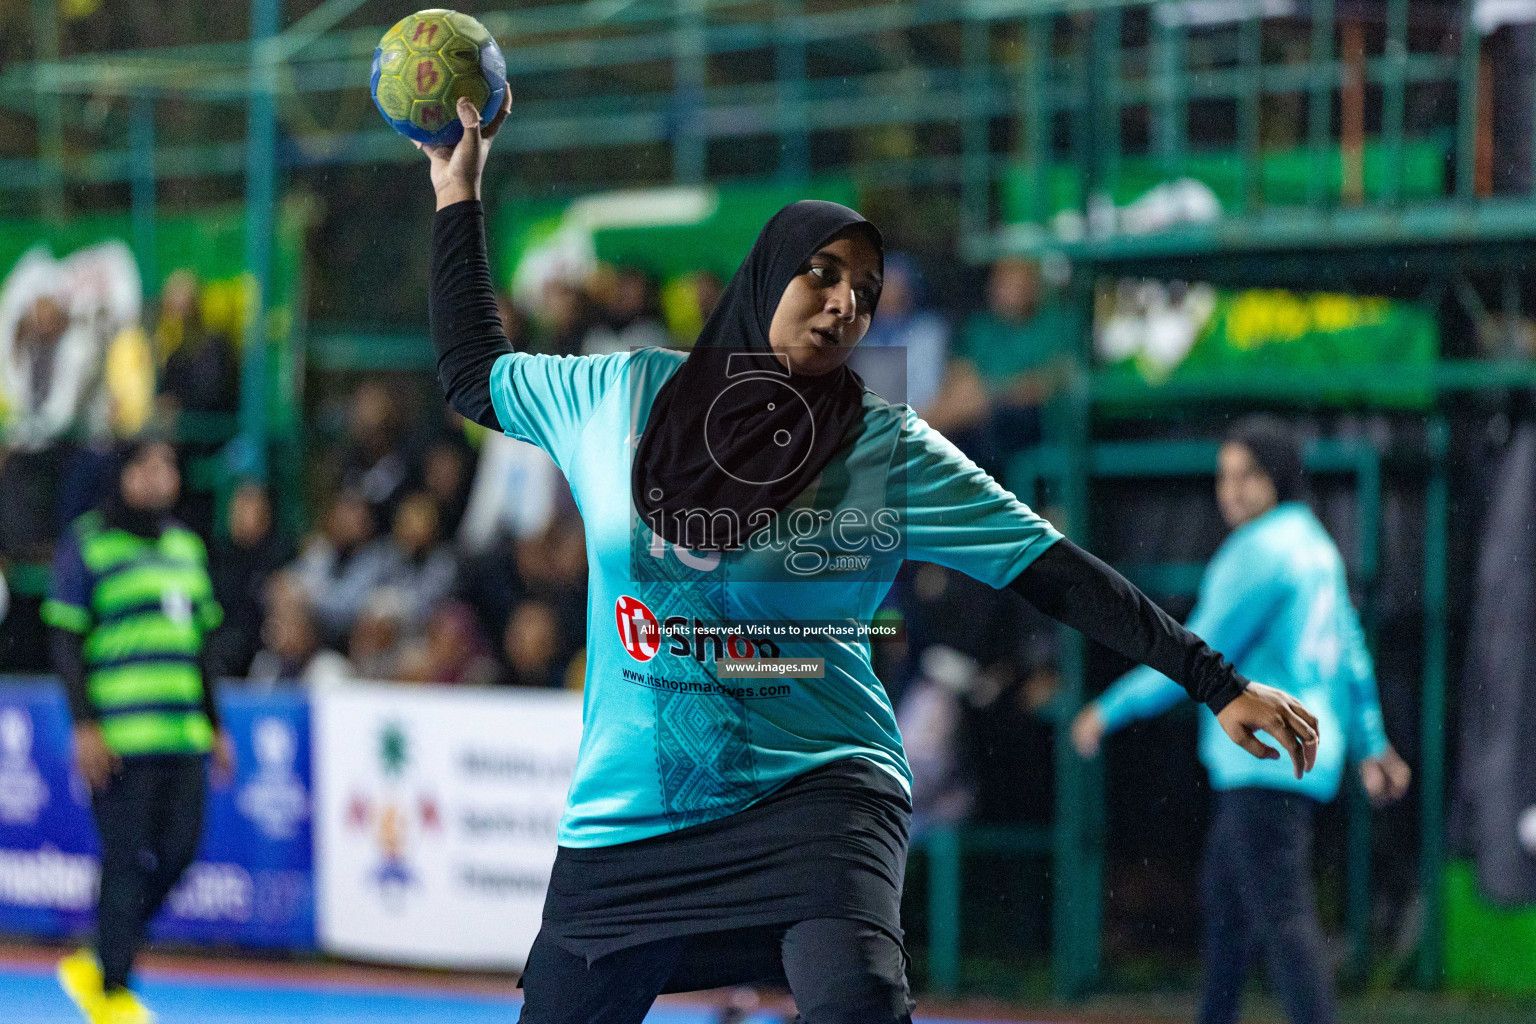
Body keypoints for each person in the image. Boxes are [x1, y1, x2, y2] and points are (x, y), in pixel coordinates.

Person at [420, 92, 1320, 1024]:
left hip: (821, 786)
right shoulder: (617, 393)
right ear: (764, 276)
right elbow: (471, 374)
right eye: (820, 274)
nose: (845, 301)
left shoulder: (884, 450)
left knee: (857, 1007)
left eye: (864, 287)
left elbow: (1054, 570)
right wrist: (459, 195)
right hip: (631, 813)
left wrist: (1214, 682)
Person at [1071, 416, 1412, 1024]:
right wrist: (1372, 744)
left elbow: (1191, 653)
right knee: (1228, 907)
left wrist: (1107, 710)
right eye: (1224, 476)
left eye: (1248, 475)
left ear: (1278, 478)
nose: (1230, 490)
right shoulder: (1315, 544)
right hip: (1301, 758)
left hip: (1264, 759)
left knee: (1280, 917)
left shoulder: (1258, 552)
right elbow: (1351, 653)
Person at [41, 438, 235, 1024]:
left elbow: (202, 647)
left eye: (170, 466)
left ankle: (102, 954)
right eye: (149, 467)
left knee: (181, 853)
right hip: (120, 739)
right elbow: (66, 643)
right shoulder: (89, 543)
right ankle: (112, 991)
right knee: (125, 859)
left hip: (182, 736)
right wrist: (84, 728)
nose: (163, 477)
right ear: (122, 475)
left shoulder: (185, 547)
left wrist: (216, 724)